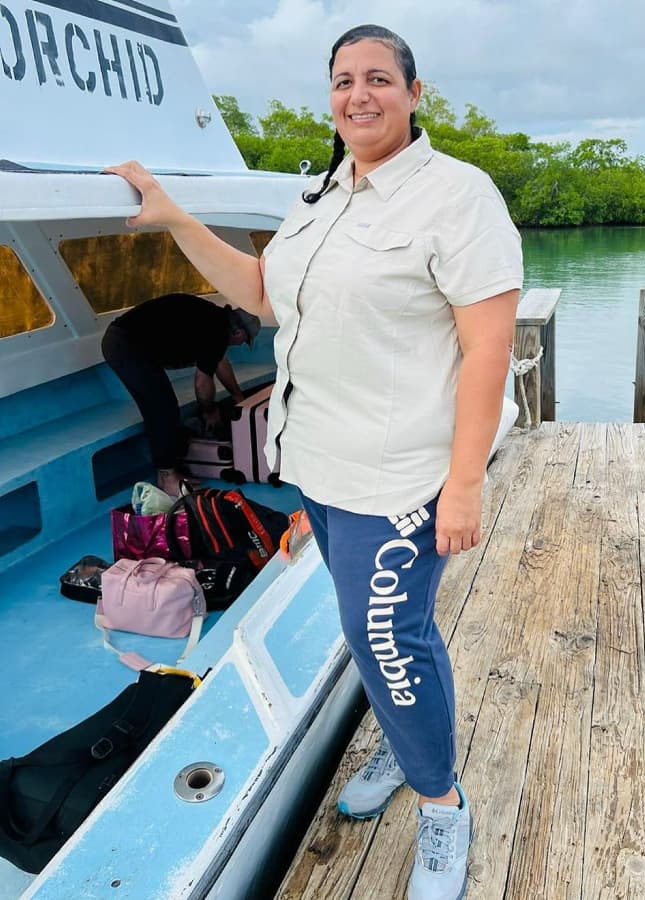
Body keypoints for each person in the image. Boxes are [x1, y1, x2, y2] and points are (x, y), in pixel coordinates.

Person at [106, 23, 522, 900]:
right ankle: (409, 754)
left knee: (388, 638)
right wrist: (177, 217)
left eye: (378, 78)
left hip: (405, 476)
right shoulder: (317, 197)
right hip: (325, 468)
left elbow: (487, 349)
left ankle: (442, 805)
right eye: (343, 80)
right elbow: (259, 293)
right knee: (380, 634)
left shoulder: (458, 196)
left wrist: (466, 480)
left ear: (414, 93)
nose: (358, 95)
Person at [101, 293, 260, 497]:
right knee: (162, 409)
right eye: (244, 341)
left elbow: (219, 363)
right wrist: (209, 410)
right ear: (238, 332)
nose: (239, 345)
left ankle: (169, 472)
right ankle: (167, 478)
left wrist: (238, 397)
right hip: (125, 345)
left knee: (162, 405)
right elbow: (202, 383)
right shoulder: (217, 329)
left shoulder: (215, 320)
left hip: (126, 341)